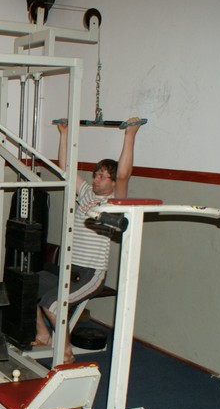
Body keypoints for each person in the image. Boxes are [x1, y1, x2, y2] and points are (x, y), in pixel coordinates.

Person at [33, 117, 143, 364]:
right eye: (96, 175)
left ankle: (65, 350)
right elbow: (66, 168)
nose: (96, 179)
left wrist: (130, 135)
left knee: (52, 304)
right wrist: (64, 133)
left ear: (112, 182)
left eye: (102, 176)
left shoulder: (114, 201)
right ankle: (43, 335)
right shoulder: (85, 193)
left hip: (91, 274)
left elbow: (124, 175)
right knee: (26, 286)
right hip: (69, 269)